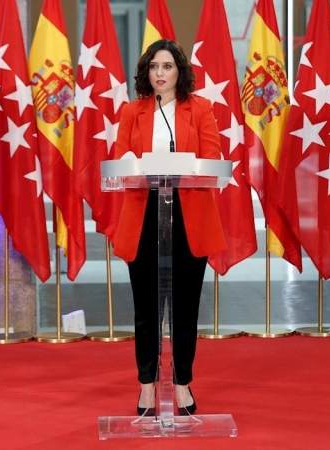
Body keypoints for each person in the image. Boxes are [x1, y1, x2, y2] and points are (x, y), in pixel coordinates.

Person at [111, 39, 226, 416]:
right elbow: (118, 161)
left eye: (167, 67)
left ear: (180, 72)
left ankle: (181, 384)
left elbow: (212, 161)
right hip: (144, 216)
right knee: (145, 308)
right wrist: (130, 160)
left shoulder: (201, 109)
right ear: (147, 72)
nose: (160, 74)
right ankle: (146, 386)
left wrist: (184, 165)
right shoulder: (133, 111)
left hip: (188, 216)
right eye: (154, 67)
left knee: (184, 307)